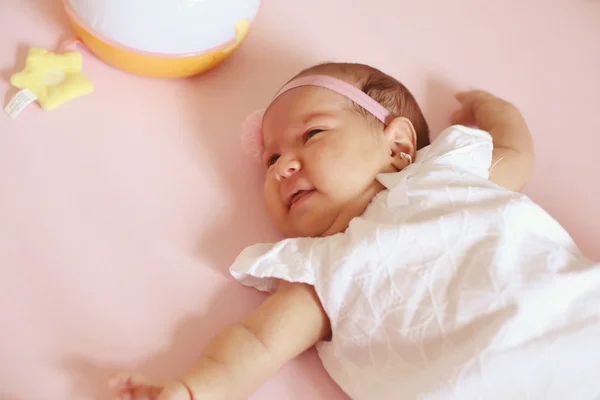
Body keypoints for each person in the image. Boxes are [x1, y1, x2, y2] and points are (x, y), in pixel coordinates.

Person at [109, 63, 600, 400]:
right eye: (271, 158)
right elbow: (256, 344)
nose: (282, 167)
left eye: (312, 134)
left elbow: (516, 152)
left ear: (401, 146)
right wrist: (194, 389)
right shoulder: (319, 271)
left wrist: (493, 107)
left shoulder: (449, 177)